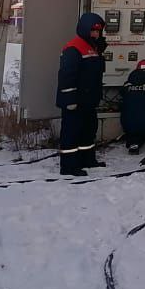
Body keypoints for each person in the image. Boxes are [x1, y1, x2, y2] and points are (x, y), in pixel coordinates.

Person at [56, 13, 107, 175]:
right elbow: (67, 75)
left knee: (88, 130)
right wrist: (70, 98)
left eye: (98, 32)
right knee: (72, 132)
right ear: (85, 29)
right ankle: (69, 166)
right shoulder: (73, 48)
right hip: (75, 100)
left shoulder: (92, 47)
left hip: (88, 100)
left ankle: (87, 159)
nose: (96, 34)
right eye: (93, 31)